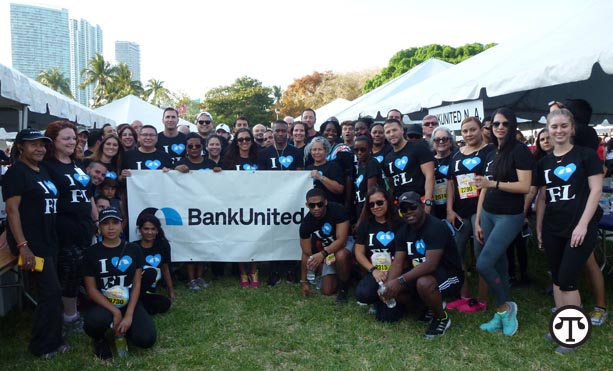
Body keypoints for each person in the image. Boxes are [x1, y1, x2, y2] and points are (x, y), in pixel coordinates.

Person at [536, 108, 603, 354]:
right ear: (548, 130)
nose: (559, 131)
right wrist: (540, 228)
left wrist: (583, 224)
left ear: (572, 128)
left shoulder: (586, 156)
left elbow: (596, 191)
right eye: (554, 127)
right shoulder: (544, 162)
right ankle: (561, 327)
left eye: (564, 125)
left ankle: (572, 336)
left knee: (567, 280)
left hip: (579, 227)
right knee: (556, 278)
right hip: (553, 227)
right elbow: (543, 197)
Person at [3, 128, 68, 359]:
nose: (40, 148)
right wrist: (23, 246)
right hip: (33, 244)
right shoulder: (16, 173)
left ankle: (55, 340)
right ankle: (42, 346)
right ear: (21, 146)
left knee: (53, 292)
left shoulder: (41, 171)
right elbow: (12, 211)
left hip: (49, 240)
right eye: (34, 144)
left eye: (42, 144)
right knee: (50, 292)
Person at [474, 107, 532, 336]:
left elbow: (525, 186)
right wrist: (478, 219)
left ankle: (506, 307)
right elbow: (482, 188)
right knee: (499, 264)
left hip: (509, 215)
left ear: (512, 125)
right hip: (488, 212)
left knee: (483, 264)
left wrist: (494, 185)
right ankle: (501, 312)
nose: (499, 128)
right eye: (495, 124)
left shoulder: (520, 151)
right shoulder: (490, 152)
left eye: (504, 124)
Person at [381, 192, 463, 338]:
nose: (408, 212)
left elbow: (431, 265)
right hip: (421, 272)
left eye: (412, 207)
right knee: (396, 288)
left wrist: (400, 281)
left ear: (422, 206)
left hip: (450, 274)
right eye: (403, 210)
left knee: (424, 283)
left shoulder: (436, 227)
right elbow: (398, 262)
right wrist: (388, 286)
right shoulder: (403, 231)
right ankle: (430, 306)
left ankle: (442, 318)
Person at [43, 121, 97, 334]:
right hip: (63, 227)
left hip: (84, 227)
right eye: (66, 138)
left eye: (73, 138)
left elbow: (88, 194)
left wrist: (97, 220)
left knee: (81, 268)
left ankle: (72, 312)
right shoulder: (47, 166)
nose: (72, 142)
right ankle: (69, 317)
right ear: (53, 141)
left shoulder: (77, 163)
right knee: (70, 270)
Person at [83, 207, 156, 360]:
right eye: (106, 223)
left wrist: (128, 314)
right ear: (99, 227)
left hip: (129, 302)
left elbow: (137, 284)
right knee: (93, 322)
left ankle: (126, 328)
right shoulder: (91, 253)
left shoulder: (133, 249)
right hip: (104, 303)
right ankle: (100, 339)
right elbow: (91, 290)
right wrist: (115, 312)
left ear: (122, 225)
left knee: (146, 339)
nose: (111, 227)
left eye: (115, 222)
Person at [445, 116, 494, 314]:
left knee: (481, 254)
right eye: (464, 131)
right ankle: (464, 295)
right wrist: (449, 209)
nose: (468, 134)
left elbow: (489, 183)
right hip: (459, 211)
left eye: (472, 130)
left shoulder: (489, 151)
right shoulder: (457, 155)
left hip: (480, 210)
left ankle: (481, 300)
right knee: (456, 253)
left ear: (481, 130)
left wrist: (481, 216)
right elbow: (450, 183)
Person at [221, 128, 261, 287]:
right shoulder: (228, 160)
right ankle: (242, 271)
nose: (244, 142)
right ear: (236, 142)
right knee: (238, 238)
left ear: (252, 141)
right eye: (240, 140)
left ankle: (254, 270)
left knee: (255, 238)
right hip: (235, 205)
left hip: (256, 204)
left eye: (247, 139)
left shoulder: (259, 158)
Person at [354, 186, 401, 317]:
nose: (376, 207)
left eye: (380, 202)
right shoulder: (365, 224)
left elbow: (404, 254)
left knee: (387, 317)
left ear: (387, 201)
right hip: (376, 272)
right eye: (371, 204)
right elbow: (358, 252)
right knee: (362, 294)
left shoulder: (399, 223)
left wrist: (391, 273)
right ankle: (377, 300)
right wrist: (373, 270)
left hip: (396, 273)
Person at [299, 188, 351, 303]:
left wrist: (323, 254)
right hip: (328, 252)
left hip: (347, 244)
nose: (316, 208)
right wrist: (304, 282)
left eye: (320, 204)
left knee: (341, 255)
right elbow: (306, 253)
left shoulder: (337, 210)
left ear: (325, 202)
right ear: (307, 205)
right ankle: (342, 274)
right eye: (312, 205)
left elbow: (342, 240)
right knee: (327, 290)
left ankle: (344, 288)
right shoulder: (306, 223)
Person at [382, 118, 435, 209]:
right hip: (400, 206)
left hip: (420, 203)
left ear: (402, 130)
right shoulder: (387, 158)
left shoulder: (418, 147)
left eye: (394, 130)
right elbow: (391, 185)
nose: (392, 134)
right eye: (388, 132)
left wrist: (428, 203)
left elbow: (430, 176)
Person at [135, 213, 175, 314]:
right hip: (136, 287)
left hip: (150, 290)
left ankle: (139, 307)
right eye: (146, 229)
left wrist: (171, 291)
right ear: (140, 229)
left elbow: (165, 268)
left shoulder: (163, 245)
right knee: (150, 273)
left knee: (165, 303)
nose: (149, 232)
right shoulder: (133, 247)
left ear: (157, 230)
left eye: (153, 229)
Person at [304, 137, 345, 205]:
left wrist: (321, 177)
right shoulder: (308, 169)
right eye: (314, 150)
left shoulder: (333, 166)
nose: (317, 152)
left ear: (326, 151)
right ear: (310, 152)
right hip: (313, 208)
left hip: (331, 206)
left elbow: (339, 189)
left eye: (320, 149)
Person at [354, 136, 384, 219]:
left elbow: (370, 195)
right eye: (356, 150)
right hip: (360, 207)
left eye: (363, 150)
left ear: (370, 149)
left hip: (369, 211)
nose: (359, 153)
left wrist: (360, 221)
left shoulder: (372, 164)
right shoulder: (361, 165)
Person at [430, 126, 456, 220]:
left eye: (444, 139)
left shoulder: (457, 157)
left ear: (450, 140)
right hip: (435, 207)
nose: (441, 142)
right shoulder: (429, 161)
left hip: (455, 206)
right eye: (437, 140)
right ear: (433, 142)